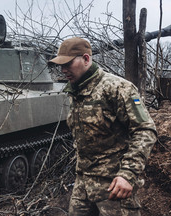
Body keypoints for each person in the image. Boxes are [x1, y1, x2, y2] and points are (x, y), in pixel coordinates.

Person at [49, 37, 157, 215]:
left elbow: (145, 130)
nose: (63, 69)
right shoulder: (76, 91)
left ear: (86, 59)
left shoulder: (118, 88)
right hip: (83, 183)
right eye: (60, 65)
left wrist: (127, 174)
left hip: (114, 185)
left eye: (67, 63)